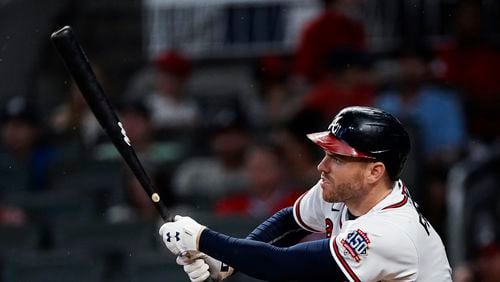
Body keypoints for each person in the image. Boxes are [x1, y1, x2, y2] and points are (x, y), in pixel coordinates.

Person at [159, 106, 452, 281]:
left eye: (337, 158)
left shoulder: (390, 233)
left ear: (375, 172)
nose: (321, 166)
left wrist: (202, 238)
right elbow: (291, 221)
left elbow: (284, 265)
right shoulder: (347, 191)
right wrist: (228, 262)